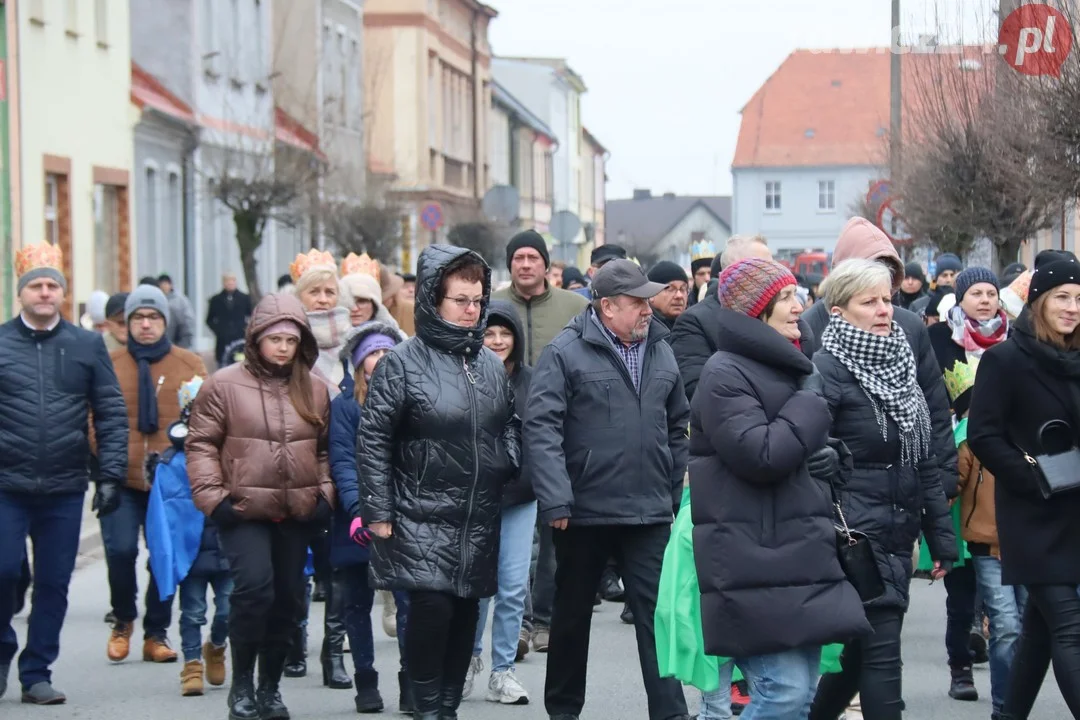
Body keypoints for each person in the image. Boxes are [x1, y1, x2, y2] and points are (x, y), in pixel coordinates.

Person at [691, 258, 868, 720]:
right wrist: (812, 400)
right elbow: (762, 454)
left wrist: (835, 457)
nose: (799, 306)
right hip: (755, 556)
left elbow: (802, 447)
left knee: (799, 693)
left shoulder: (789, 363)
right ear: (757, 308)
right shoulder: (724, 373)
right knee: (783, 693)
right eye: (787, 297)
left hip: (796, 552)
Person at [525, 259, 693, 720]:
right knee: (572, 616)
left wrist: (672, 486)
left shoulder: (661, 347)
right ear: (607, 306)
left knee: (657, 618)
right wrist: (556, 497)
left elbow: (678, 421)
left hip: (649, 511)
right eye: (638, 302)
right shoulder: (565, 351)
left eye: (647, 300)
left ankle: (670, 712)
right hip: (583, 512)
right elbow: (542, 428)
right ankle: (563, 711)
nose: (647, 309)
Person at [358, 245, 520, 719]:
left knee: (466, 617)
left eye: (477, 300)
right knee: (433, 614)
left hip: (476, 516)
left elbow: (509, 422)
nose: (472, 311)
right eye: (461, 300)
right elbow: (373, 440)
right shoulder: (401, 363)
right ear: (433, 299)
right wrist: (379, 513)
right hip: (418, 513)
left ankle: (447, 708)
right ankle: (427, 709)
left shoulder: (488, 364)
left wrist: (505, 459)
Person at [809, 259, 957, 720]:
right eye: (868, 302)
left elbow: (922, 456)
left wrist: (941, 540)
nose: (883, 310)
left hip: (899, 529)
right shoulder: (825, 368)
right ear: (838, 312)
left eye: (887, 300)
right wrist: (828, 453)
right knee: (881, 651)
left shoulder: (900, 360)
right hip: (854, 534)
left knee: (857, 658)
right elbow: (810, 445)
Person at [187, 292, 335, 720]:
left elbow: (326, 450)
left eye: (292, 340)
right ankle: (242, 686)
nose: (284, 348)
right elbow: (201, 445)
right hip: (243, 510)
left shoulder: (316, 388)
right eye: (275, 339)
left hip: (297, 510)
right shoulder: (224, 384)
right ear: (257, 339)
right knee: (255, 591)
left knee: (289, 600)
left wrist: (325, 494)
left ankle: (270, 688)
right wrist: (214, 499)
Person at [0, 242, 127, 705]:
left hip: (64, 485)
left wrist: (111, 474)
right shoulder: (1, 342)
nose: (45, 292)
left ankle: (37, 672)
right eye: (36, 285)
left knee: (53, 582)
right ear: (22, 293)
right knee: (2, 572)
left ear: (62, 293)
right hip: (6, 484)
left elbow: (110, 411)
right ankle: (2, 653)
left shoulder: (86, 344)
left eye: (53, 285)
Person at [968, 252, 1080, 718]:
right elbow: (984, 436)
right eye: (1062, 297)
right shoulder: (1006, 360)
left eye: (1079, 298)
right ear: (1038, 301)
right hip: (1032, 515)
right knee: (1070, 627)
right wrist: (1032, 477)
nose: (1073, 307)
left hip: (1075, 514)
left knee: (1037, 629)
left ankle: (1007, 714)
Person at [102, 284, 207, 665]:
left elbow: (204, 418)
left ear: (166, 321)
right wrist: (104, 463)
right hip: (121, 476)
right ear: (127, 323)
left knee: (163, 554)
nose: (146, 325)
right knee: (120, 550)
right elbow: (92, 418)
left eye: (154, 317)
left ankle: (156, 632)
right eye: (138, 318)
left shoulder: (188, 364)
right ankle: (123, 618)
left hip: (169, 479)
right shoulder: (110, 363)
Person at [927, 267, 1014, 706]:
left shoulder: (1014, 340)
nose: (984, 299)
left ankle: (1005, 683)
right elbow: (927, 393)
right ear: (959, 298)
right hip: (955, 452)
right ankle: (960, 664)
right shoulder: (940, 340)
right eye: (975, 292)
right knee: (961, 584)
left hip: (998, 457)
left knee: (999, 587)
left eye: (991, 292)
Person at [329, 320, 411, 713]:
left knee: (409, 603)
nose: (381, 359)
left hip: (404, 519)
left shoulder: (414, 398)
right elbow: (343, 462)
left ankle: (412, 679)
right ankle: (365, 680)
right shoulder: (344, 407)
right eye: (373, 353)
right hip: (358, 522)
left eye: (387, 351)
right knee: (356, 603)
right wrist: (358, 511)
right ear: (359, 362)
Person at [464, 300, 536, 705]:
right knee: (478, 587)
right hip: (476, 496)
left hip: (522, 497)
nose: (496, 341)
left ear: (516, 338)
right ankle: (469, 660)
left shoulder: (531, 380)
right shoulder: (466, 374)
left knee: (511, 586)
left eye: (504, 333)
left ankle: (503, 669)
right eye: (489, 333)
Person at [144, 377, 232, 697]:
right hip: (191, 553)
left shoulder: (235, 455)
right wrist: (165, 556)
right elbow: (162, 515)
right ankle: (192, 664)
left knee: (229, 608)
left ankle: (217, 646)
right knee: (193, 611)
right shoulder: (172, 463)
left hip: (228, 548)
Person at [491, 229, 588, 365]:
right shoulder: (489, 304)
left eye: (533, 258)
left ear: (546, 265)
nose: (526, 265)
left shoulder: (577, 306)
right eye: (519, 258)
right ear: (509, 265)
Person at [206, 273, 252, 368]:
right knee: (222, 367)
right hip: (223, 340)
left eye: (232, 280)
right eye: (228, 281)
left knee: (240, 366)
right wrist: (219, 331)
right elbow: (209, 319)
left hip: (240, 338)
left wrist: (245, 328)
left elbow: (251, 316)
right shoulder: (216, 300)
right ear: (223, 283)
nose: (230, 283)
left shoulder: (244, 298)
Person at [646, 261, 690, 329]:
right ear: (651, 294)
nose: (679, 295)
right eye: (671, 289)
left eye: (683, 289)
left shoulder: (694, 326)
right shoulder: (643, 328)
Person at [157, 274, 197, 349]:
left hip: (178, 343)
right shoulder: (157, 300)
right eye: (161, 286)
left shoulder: (180, 301)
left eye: (166, 285)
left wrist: (184, 343)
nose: (164, 288)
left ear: (171, 285)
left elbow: (188, 322)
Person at [687, 240, 716, 308]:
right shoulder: (686, 304)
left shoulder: (725, 301)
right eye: (701, 274)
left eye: (710, 273)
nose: (707, 278)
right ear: (694, 276)